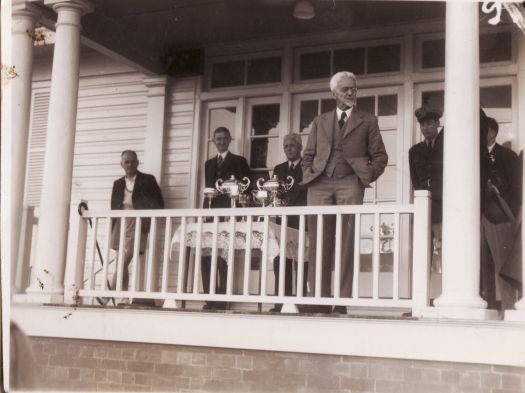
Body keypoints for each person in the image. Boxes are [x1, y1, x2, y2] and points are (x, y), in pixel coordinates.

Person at [302, 71, 388, 314]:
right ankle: (318, 299)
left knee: (347, 242)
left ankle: (341, 301)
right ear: (334, 93)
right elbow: (308, 155)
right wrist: (309, 174)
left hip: (350, 182)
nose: (351, 93)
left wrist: (365, 177)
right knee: (319, 241)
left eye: (353, 89)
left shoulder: (367, 120)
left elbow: (380, 156)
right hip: (319, 184)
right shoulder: (320, 121)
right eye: (345, 89)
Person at [202, 127, 251, 310]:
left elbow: (246, 186)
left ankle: (222, 299)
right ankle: (210, 298)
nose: (221, 142)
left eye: (224, 138)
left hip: (230, 213)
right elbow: (208, 189)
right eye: (218, 139)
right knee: (206, 255)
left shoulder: (239, 161)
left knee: (224, 257)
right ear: (213, 141)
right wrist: (204, 212)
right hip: (211, 213)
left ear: (230, 140)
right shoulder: (208, 164)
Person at [110, 150, 164, 305]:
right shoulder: (118, 184)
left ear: (137, 162)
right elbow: (114, 207)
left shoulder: (148, 180)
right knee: (122, 260)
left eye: (132, 161)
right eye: (126, 162)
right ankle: (124, 297)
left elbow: (159, 203)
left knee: (125, 261)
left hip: (139, 223)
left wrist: (146, 214)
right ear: (121, 164)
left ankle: (109, 294)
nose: (130, 164)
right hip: (121, 224)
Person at [480, 117, 521, 310]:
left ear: (493, 132)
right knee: (478, 264)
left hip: (500, 217)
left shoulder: (508, 156)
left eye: (484, 129)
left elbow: (517, 190)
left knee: (502, 264)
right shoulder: (474, 156)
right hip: (476, 217)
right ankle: (486, 306)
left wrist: (509, 214)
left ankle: (508, 308)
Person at [270, 134, 308, 312]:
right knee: (281, 260)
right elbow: (274, 194)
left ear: (300, 147)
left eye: (292, 145)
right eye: (286, 146)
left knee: (302, 261)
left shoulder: (308, 166)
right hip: (282, 221)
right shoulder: (278, 169)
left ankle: (301, 302)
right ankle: (281, 302)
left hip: (302, 220)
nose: (289, 148)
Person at [408, 106, 444, 274]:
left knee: (444, 249)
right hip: (424, 208)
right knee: (423, 251)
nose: (426, 128)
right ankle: (423, 294)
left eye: (430, 123)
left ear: (437, 123)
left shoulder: (447, 145)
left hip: (443, 208)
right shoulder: (414, 151)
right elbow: (416, 181)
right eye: (422, 125)